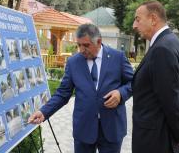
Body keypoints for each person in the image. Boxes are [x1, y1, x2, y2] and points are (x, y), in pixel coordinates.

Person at [28, 24, 133, 153]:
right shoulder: (73, 62)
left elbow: (134, 82)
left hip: (112, 128)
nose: (82, 49)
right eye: (79, 45)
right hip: (84, 128)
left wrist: (121, 93)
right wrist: (44, 112)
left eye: (86, 45)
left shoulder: (118, 57)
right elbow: (63, 93)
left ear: (99, 41)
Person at [131, 0, 179, 153]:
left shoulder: (162, 49)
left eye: (138, 19)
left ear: (153, 19)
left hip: (154, 141)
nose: (134, 25)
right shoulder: (173, 42)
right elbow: (178, 94)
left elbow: (171, 99)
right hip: (160, 136)